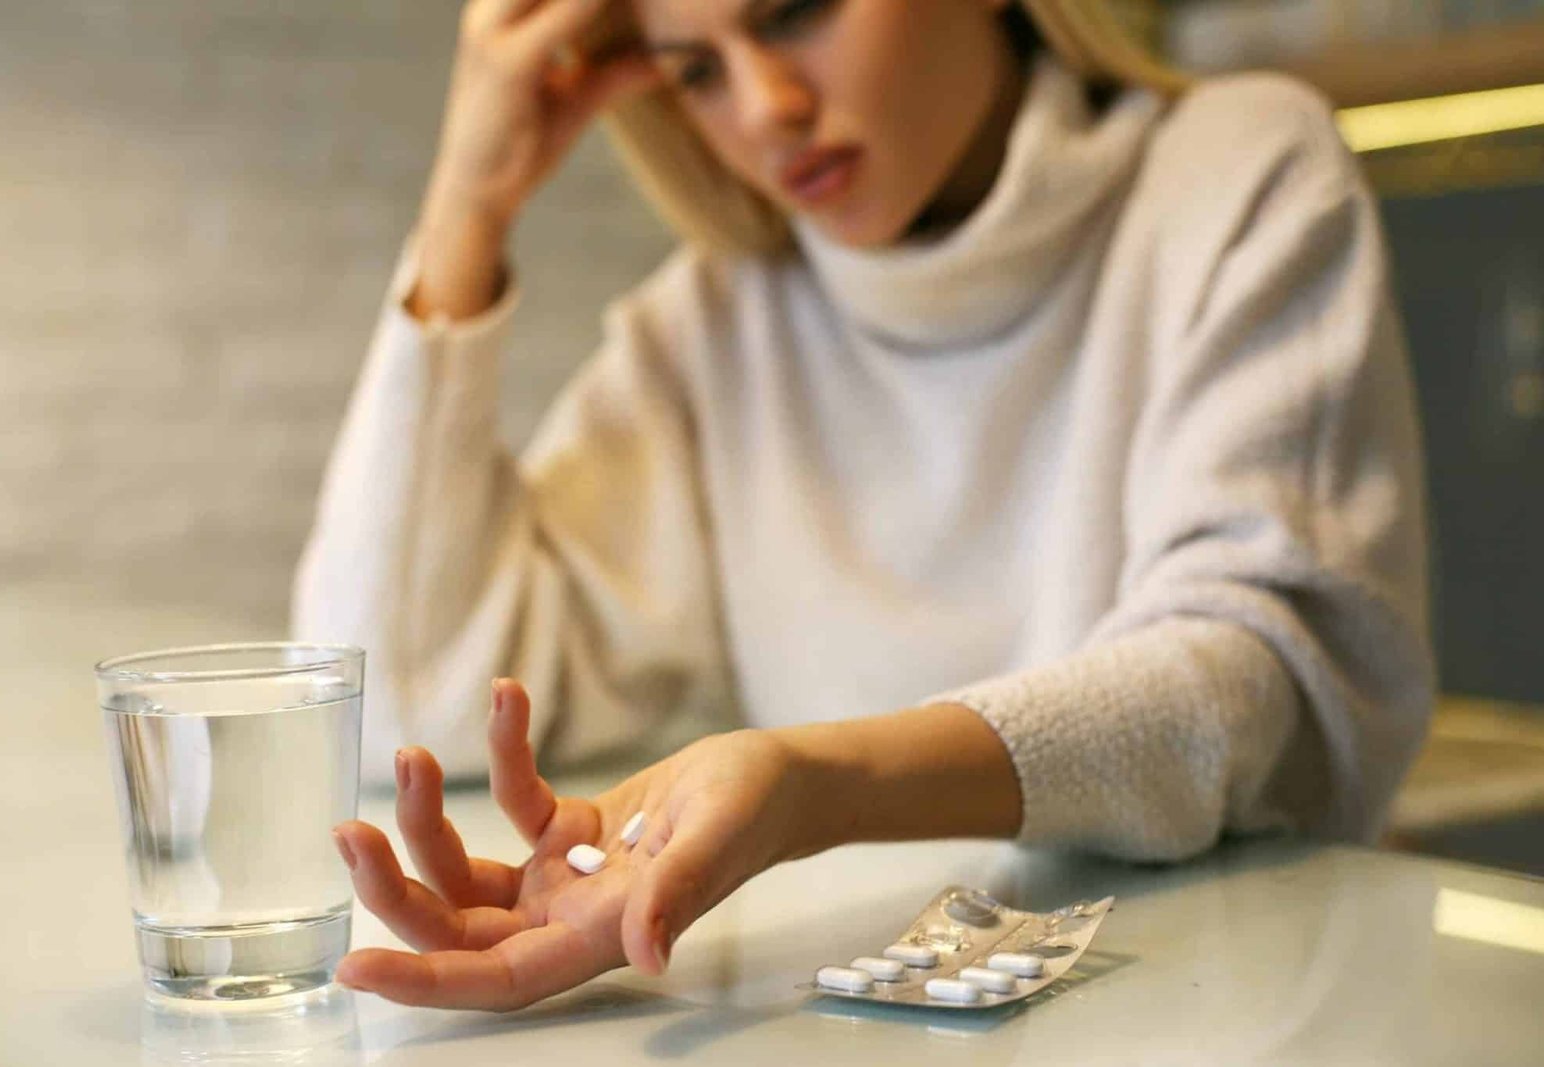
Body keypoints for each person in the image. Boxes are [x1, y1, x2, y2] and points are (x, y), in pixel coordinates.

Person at [296, 0, 1432, 1010]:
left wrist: (817, 785)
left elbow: (1250, 684)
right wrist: (467, 205)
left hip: (1245, 1001)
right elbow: (402, 688)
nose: (766, 107)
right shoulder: (717, 324)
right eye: (694, 69)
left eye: (798, 14)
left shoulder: (1234, 169)